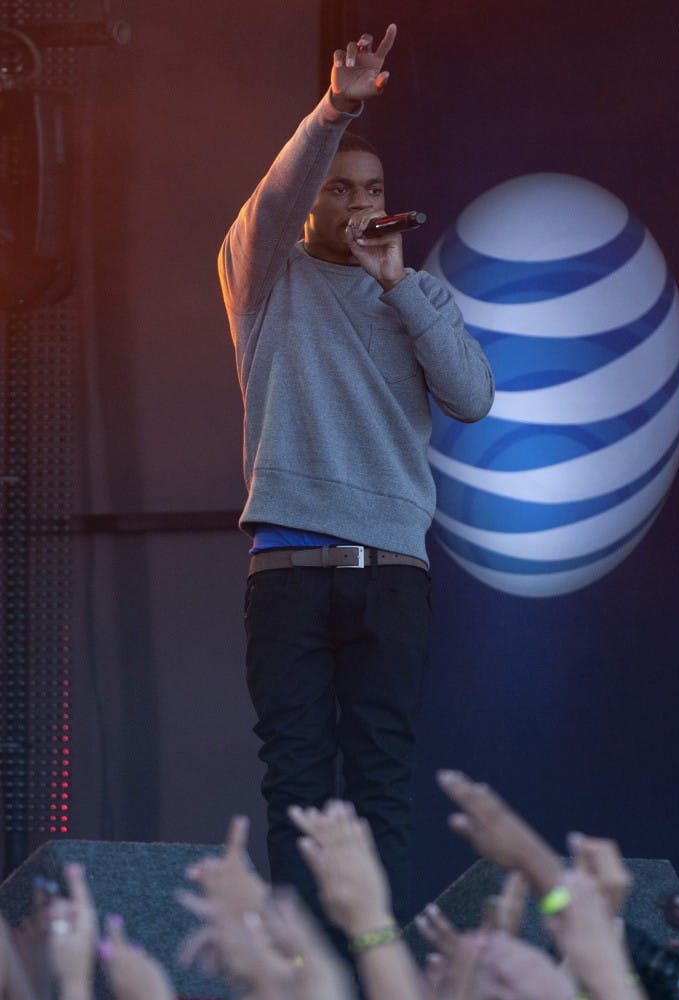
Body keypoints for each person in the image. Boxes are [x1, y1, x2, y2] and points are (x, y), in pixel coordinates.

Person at [218, 22, 494, 924]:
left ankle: (380, 978)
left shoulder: (414, 295)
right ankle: (300, 979)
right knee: (297, 790)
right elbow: (277, 193)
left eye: (370, 190)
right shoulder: (265, 276)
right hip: (291, 573)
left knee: (381, 786)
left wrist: (400, 288)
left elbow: (471, 399)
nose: (353, 202)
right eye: (337, 188)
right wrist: (336, 111)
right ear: (311, 200)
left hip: (392, 578)